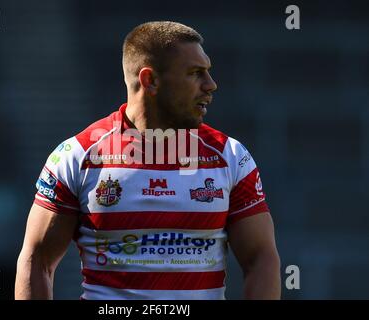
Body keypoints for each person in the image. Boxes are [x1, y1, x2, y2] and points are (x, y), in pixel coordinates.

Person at [15, 21, 281, 300]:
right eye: (195, 73)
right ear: (150, 80)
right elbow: (37, 260)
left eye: (208, 73)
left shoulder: (230, 157)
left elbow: (261, 258)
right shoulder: (77, 155)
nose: (210, 85)